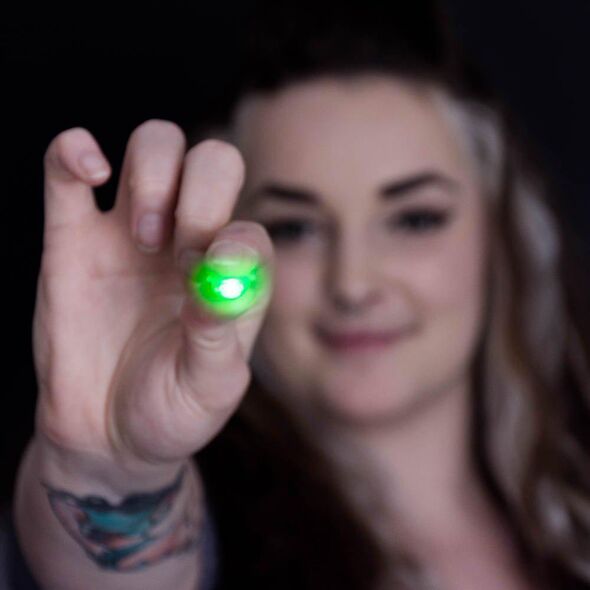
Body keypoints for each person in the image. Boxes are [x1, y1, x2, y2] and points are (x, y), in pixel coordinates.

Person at [4, 1, 590, 589]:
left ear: (501, 235)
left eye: (415, 219)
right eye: (295, 229)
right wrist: (112, 469)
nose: (353, 285)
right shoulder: (216, 540)